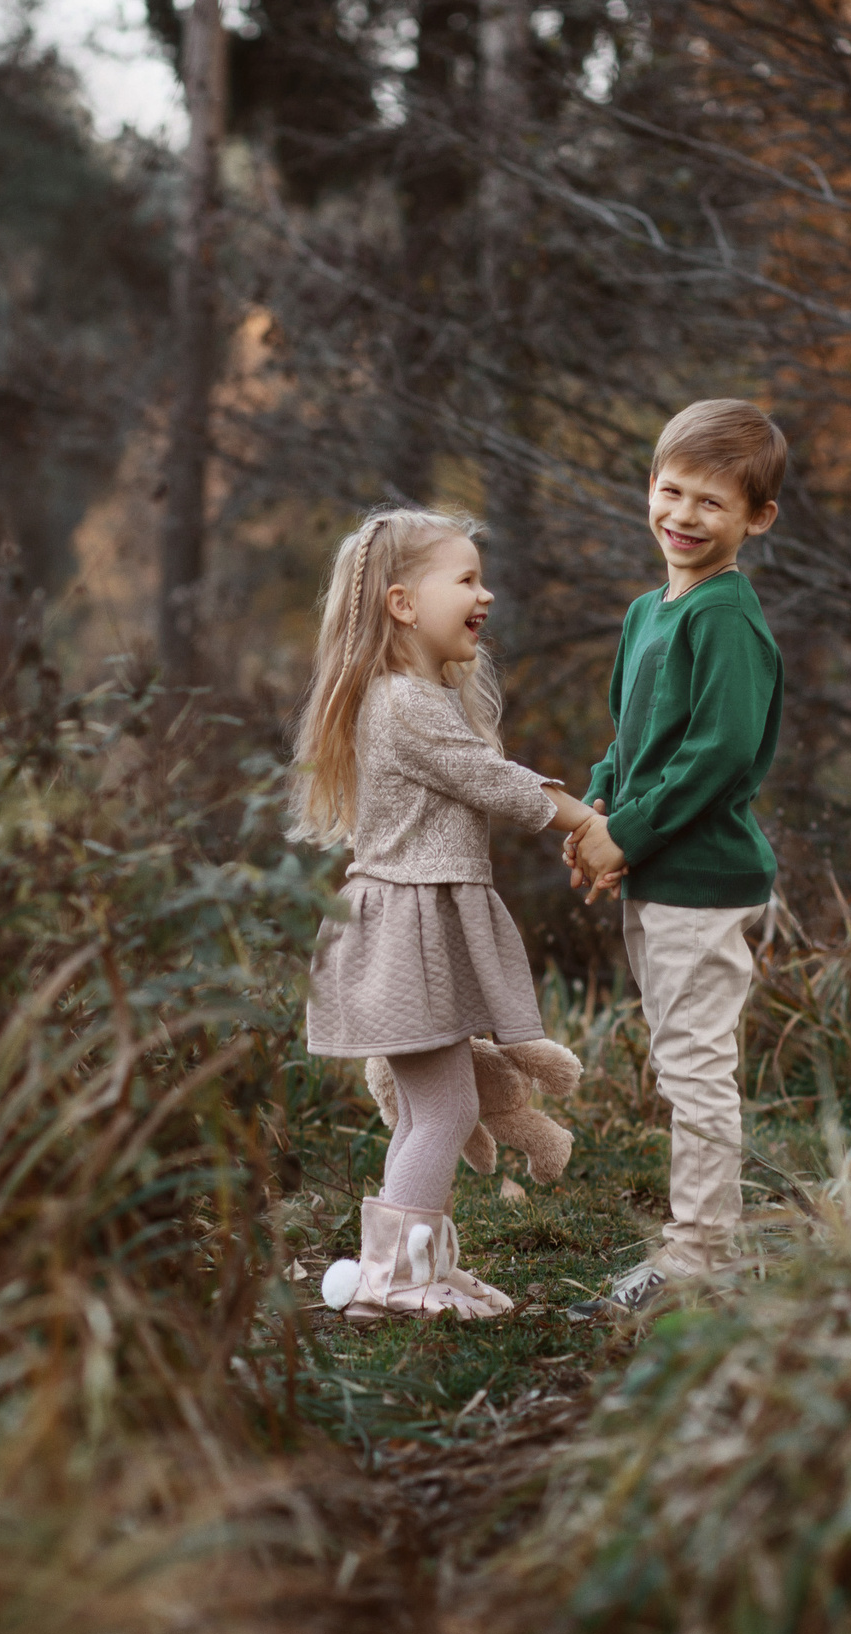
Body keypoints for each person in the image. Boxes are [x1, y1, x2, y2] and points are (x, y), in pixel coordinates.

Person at [291, 506, 601, 1319]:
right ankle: (401, 1279)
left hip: (404, 931)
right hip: (402, 935)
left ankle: (401, 1267)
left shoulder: (404, 696)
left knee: (436, 1106)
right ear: (402, 604)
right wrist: (591, 822)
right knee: (447, 1107)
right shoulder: (403, 702)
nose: (485, 593)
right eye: (465, 578)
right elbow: (490, 780)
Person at [565, 399, 787, 1313]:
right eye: (672, 491)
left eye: (712, 503)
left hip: (703, 878)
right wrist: (598, 814)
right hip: (657, 868)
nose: (685, 517)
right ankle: (696, 1241)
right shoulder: (646, 612)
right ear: (648, 491)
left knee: (695, 1065)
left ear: (757, 519)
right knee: (677, 1057)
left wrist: (632, 831)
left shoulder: (725, 618)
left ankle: (702, 1257)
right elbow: (634, 738)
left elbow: (720, 753)